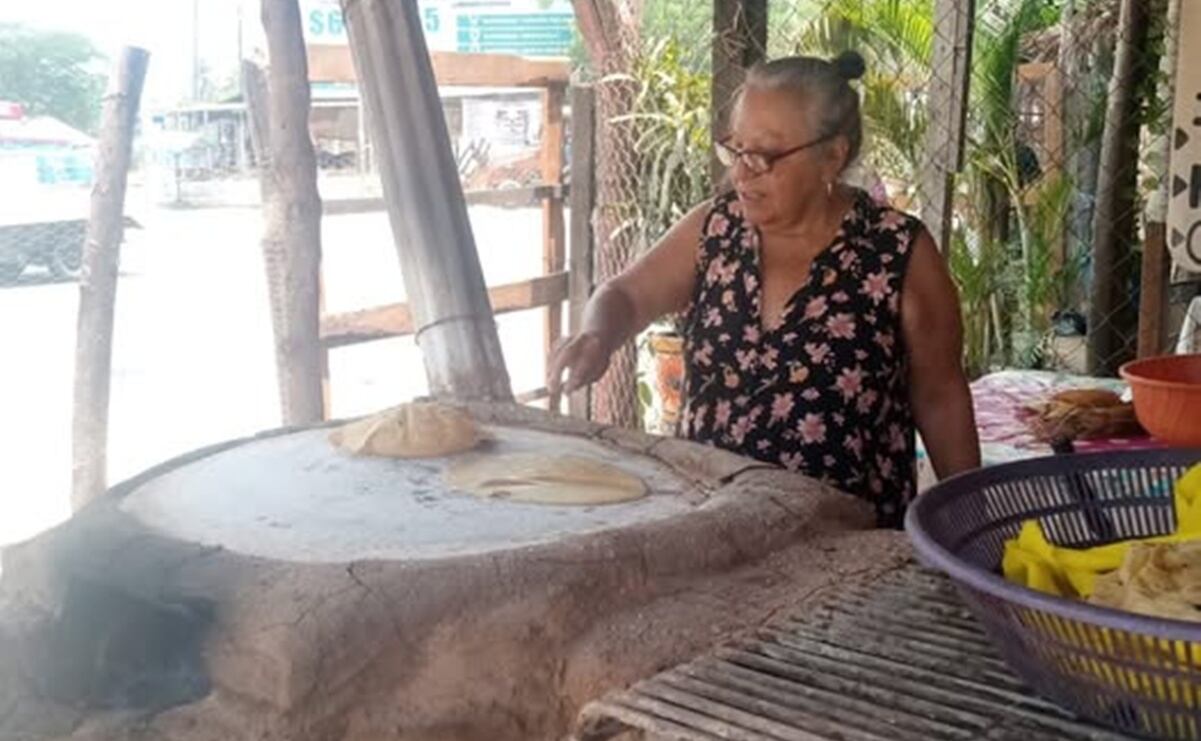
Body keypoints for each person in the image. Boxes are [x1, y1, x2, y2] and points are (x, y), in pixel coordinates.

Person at [548, 51, 981, 527]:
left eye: (765, 156)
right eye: (736, 150)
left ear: (832, 156)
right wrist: (597, 336)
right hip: (710, 535)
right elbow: (625, 296)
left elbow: (940, 396)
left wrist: (977, 527)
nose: (742, 172)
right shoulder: (714, 231)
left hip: (847, 552)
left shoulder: (897, 252)